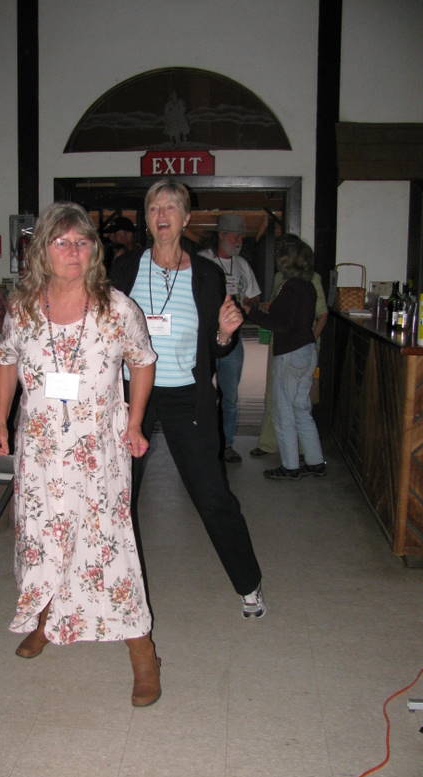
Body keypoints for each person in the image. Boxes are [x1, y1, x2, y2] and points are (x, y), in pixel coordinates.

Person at [0, 201, 162, 707]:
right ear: (42, 250)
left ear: (94, 251)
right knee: (42, 539)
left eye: (82, 242)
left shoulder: (117, 308)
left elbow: (142, 361)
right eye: (61, 242)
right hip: (40, 450)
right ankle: (46, 619)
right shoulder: (23, 308)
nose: (72, 251)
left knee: (109, 545)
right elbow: (6, 361)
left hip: (97, 450)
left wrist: (134, 422)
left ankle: (142, 649)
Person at [109, 179, 265, 619]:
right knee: (118, 494)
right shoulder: (125, 269)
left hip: (186, 394)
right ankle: (112, 589)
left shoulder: (207, 275)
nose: (162, 215)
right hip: (129, 394)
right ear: (146, 218)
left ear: (186, 218)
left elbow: (216, 348)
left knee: (213, 495)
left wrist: (225, 333)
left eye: (171, 207)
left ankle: (248, 584)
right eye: (154, 208)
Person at [244, 235, 325, 480]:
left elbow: (280, 324)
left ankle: (290, 466)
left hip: (289, 353)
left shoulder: (290, 288)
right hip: (307, 350)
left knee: (283, 411)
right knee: (301, 409)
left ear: (286, 261)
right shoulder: (308, 286)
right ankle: (315, 461)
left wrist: (251, 313)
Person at [199, 214, 261, 463]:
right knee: (201, 392)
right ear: (221, 235)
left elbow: (254, 295)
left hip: (233, 340)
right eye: (235, 236)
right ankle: (202, 441)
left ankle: (227, 444)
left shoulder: (242, 264)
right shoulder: (202, 260)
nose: (239, 241)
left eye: (241, 237)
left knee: (230, 395)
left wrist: (246, 306)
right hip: (203, 339)